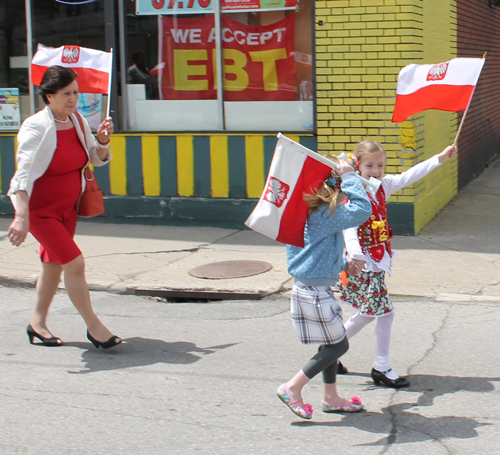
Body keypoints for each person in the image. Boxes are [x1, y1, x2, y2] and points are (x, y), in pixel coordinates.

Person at [7, 65, 122, 350]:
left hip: (67, 210)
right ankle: (95, 327)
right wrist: (21, 217)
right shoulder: (35, 127)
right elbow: (22, 176)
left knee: (53, 267)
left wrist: (103, 140)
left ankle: (37, 324)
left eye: (76, 92)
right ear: (49, 96)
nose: (72, 99)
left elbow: (95, 158)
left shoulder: (78, 121)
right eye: (66, 93)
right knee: (75, 262)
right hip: (41, 212)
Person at [337, 140, 457, 388]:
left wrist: (440, 158)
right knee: (383, 312)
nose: (376, 170)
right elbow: (348, 227)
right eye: (370, 165)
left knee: (371, 313)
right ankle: (380, 367)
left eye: (380, 165)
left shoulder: (383, 186)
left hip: (376, 261)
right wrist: (355, 256)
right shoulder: (352, 190)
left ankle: (331, 350)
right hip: (361, 264)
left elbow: (409, 176)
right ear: (357, 165)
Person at [277, 155, 372, 419]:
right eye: (343, 188)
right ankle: (292, 387)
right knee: (338, 346)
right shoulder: (325, 214)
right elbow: (363, 210)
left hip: (311, 289)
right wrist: (351, 176)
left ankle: (330, 397)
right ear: (335, 188)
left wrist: (343, 263)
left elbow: (311, 256)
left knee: (330, 344)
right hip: (314, 294)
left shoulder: (308, 214)